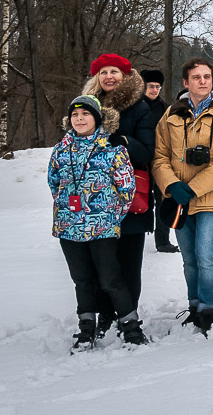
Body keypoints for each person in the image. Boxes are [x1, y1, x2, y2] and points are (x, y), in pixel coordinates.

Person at [152, 57, 213, 335]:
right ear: (185, 82)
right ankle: (194, 306)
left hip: (211, 198)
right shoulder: (170, 115)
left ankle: (208, 309)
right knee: (189, 257)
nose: (202, 81)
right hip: (179, 199)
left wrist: (192, 188)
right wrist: (172, 186)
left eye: (206, 76)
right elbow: (159, 157)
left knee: (206, 255)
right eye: (196, 77)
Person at [48, 94, 146, 349]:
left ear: (97, 118)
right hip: (69, 227)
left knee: (110, 280)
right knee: (82, 280)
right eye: (75, 115)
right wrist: (68, 209)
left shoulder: (112, 148)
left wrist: (109, 215)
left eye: (86, 114)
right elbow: (54, 182)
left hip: (101, 227)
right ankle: (86, 328)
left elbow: (127, 188)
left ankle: (131, 327)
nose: (80, 119)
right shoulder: (61, 149)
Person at [78, 53, 156, 335]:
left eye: (114, 72)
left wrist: (124, 140)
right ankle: (105, 314)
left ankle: (128, 314)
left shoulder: (139, 107)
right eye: (103, 72)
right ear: (96, 77)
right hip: (95, 200)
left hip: (129, 197)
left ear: (125, 76)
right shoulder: (86, 107)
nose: (109, 76)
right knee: (99, 261)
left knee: (128, 260)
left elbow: (148, 151)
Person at [141, 69, 180, 254]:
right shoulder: (135, 107)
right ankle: (136, 236)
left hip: (160, 161)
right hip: (139, 161)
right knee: (140, 200)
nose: (154, 90)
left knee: (162, 200)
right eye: (151, 86)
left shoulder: (165, 109)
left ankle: (163, 241)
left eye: (157, 87)